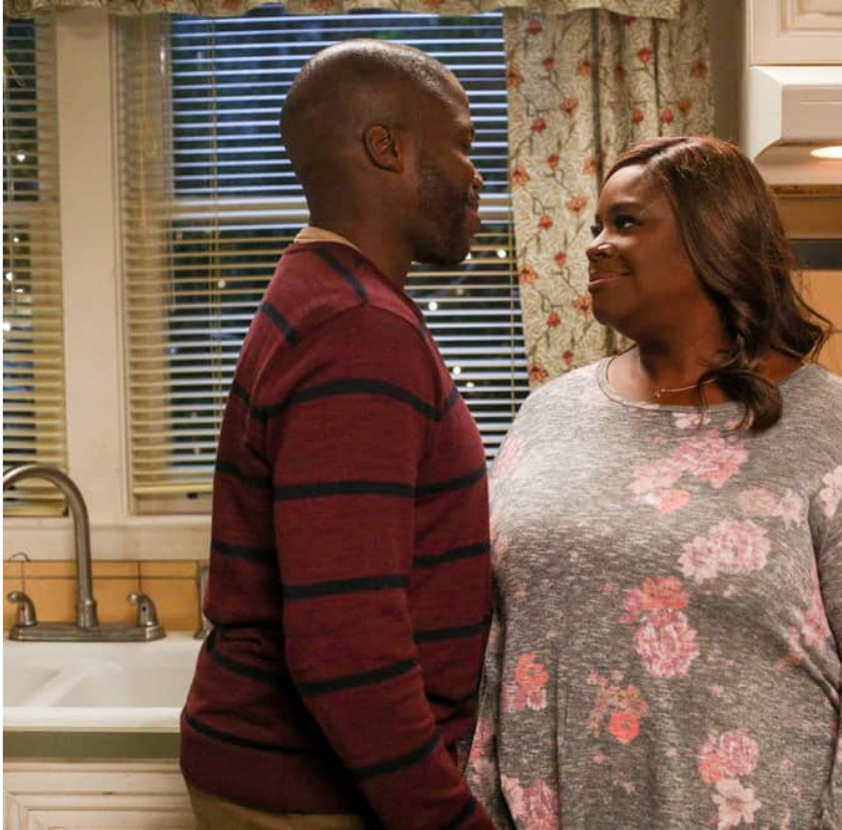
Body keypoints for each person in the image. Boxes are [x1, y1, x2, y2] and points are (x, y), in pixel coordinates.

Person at [467, 136, 842, 829]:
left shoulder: (831, 423)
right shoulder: (550, 412)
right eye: (596, 225)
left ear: (712, 240)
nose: (596, 246)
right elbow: (497, 637)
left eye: (627, 223)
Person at [180, 40, 495, 830]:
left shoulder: (324, 295)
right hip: (309, 796)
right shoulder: (358, 329)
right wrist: (447, 820)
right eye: (462, 143)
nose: (476, 173)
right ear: (387, 148)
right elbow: (344, 643)